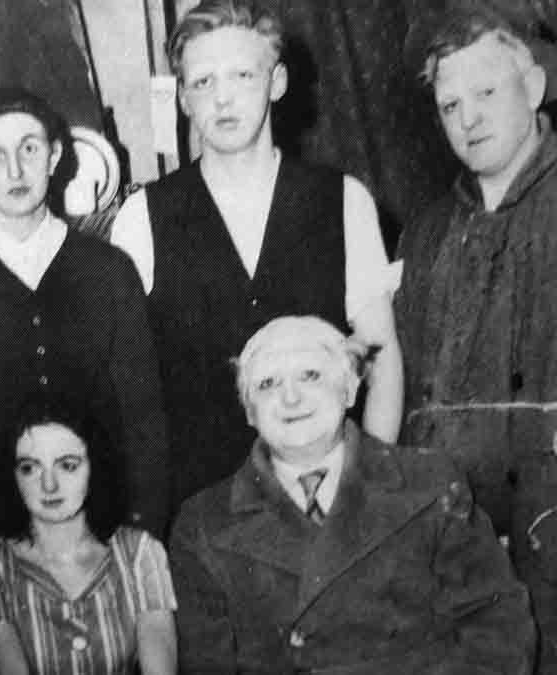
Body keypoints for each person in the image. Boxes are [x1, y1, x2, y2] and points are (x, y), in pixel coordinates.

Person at [110, 0, 404, 516]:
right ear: (183, 98)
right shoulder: (141, 217)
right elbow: (128, 395)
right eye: (203, 82)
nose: (222, 98)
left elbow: (381, 360)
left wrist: (367, 499)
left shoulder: (342, 200)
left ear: (277, 82)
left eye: (242, 75)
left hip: (328, 506)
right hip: (199, 516)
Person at [0, 86, 169, 643]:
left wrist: (137, 537)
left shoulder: (107, 271)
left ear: (55, 155)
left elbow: (143, 420)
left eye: (29, 148)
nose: (15, 169)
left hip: (99, 546)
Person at [169, 315, 533, 673]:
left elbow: (499, 627)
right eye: (268, 384)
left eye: (310, 376)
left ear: (349, 389)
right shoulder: (202, 524)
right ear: (249, 412)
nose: (291, 397)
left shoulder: (430, 482)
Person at [396, 2, 557, 668]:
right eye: (449, 105)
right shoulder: (426, 232)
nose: (469, 119)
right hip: (456, 553)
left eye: (486, 92)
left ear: (535, 87)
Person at [0, 399, 177, 675]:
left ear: (95, 466)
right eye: (29, 468)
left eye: (67, 465)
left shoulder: (139, 553)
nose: (48, 485)